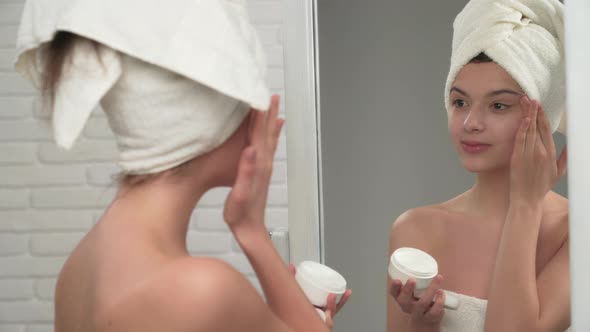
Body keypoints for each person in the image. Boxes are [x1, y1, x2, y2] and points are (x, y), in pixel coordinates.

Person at [14, 0, 350, 331]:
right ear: (207, 118)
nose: (260, 114)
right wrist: (252, 232)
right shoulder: (204, 291)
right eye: (248, 95)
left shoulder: (78, 270)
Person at [386, 0, 570, 331]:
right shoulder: (415, 229)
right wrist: (421, 325)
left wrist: (525, 205)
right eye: (459, 102)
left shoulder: (578, 234)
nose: (471, 122)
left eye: (498, 105)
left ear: (545, 117)